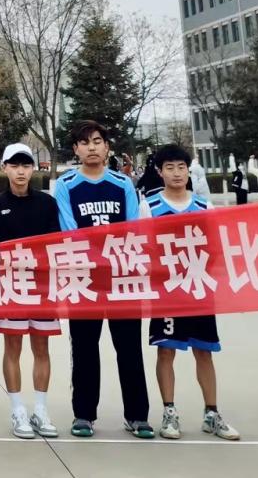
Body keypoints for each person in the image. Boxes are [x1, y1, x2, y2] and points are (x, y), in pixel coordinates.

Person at [54, 121, 153, 439]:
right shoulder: (65, 185)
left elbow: (131, 228)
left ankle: (137, 416)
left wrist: (112, 256)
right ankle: (84, 414)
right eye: (85, 143)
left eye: (97, 141)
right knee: (84, 349)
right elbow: (70, 231)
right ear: (76, 150)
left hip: (122, 278)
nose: (92, 147)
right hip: (84, 279)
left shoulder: (122, 183)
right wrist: (96, 255)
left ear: (107, 147)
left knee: (129, 348)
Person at [141, 144, 242, 441]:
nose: (176, 173)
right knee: (166, 350)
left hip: (198, 289)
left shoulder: (203, 206)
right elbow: (142, 246)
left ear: (189, 171)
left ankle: (212, 413)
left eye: (181, 167)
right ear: (160, 172)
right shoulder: (149, 206)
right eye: (169, 168)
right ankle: (169, 412)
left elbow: (216, 246)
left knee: (204, 351)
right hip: (167, 291)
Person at [0, 142, 61, 439]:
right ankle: (17, 409)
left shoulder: (47, 203)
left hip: (42, 285)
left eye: (26, 165)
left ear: (33, 169)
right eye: (15, 165)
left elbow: (57, 241)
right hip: (11, 286)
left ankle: (40, 410)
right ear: (5, 168)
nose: (21, 171)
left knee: (42, 348)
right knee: (13, 347)